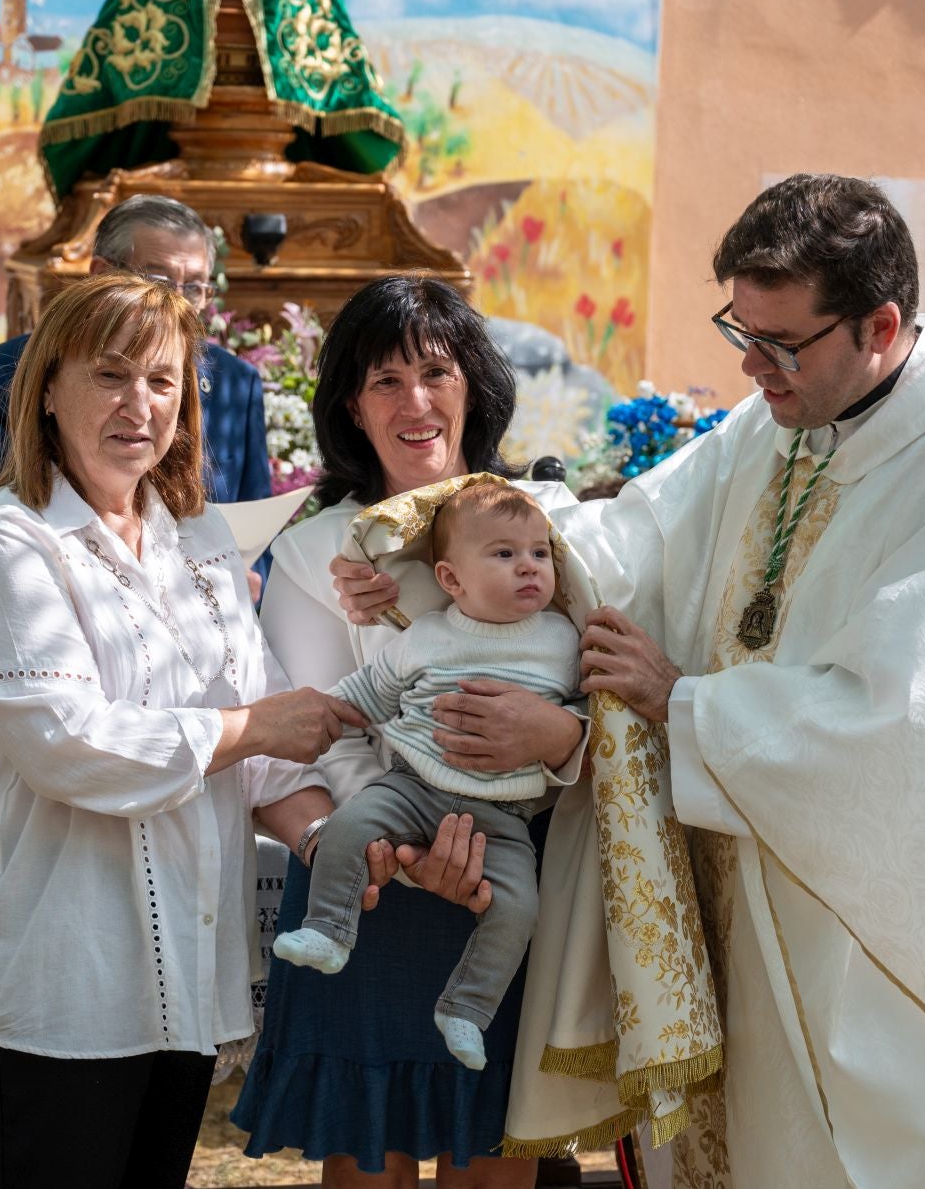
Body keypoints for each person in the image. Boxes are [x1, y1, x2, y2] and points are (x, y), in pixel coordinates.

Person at [339, 176, 925, 1185]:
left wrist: (685, 702)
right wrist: (428, 548)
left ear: (882, 327)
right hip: (737, 895)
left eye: (779, 342)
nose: (751, 365)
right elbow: (630, 539)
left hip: (871, 942)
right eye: (740, 331)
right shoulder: (774, 423)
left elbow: (909, 726)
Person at [0, 273, 372, 1185]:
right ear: (47, 390)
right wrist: (251, 727)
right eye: (111, 374)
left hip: (182, 984)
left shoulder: (199, 540)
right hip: (57, 984)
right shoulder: (6, 540)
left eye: (163, 380)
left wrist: (333, 840)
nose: (140, 403)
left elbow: (266, 753)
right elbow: (72, 744)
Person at [232, 275, 588, 1188]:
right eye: (385, 380)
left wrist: (555, 735)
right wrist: (411, 844)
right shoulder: (314, 550)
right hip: (367, 885)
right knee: (370, 1167)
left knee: (489, 1159)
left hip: (508, 878)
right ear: (352, 406)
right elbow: (324, 726)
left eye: (436, 372)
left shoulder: (549, 526)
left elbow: (602, 695)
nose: (415, 401)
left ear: (475, 384)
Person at [275, 483, 580, 1072]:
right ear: (450, 578)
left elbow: (587, 713)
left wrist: (563, 729)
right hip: (412, 787)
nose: (528, 567)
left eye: (540, 554)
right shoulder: (428, 634)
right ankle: (328, 930)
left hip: (505, 817)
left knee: (519, 908)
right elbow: (368, 692)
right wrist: (320, 715)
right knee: (349, 826)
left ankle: (467, 1009)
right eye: (504, 554)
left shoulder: (563, 640)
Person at [0, 193, 271, 504]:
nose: (178, 301)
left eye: (194, 287)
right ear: (101, 273)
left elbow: (256, 510)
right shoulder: (4, 368)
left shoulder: (237, 381)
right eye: (159, 281)